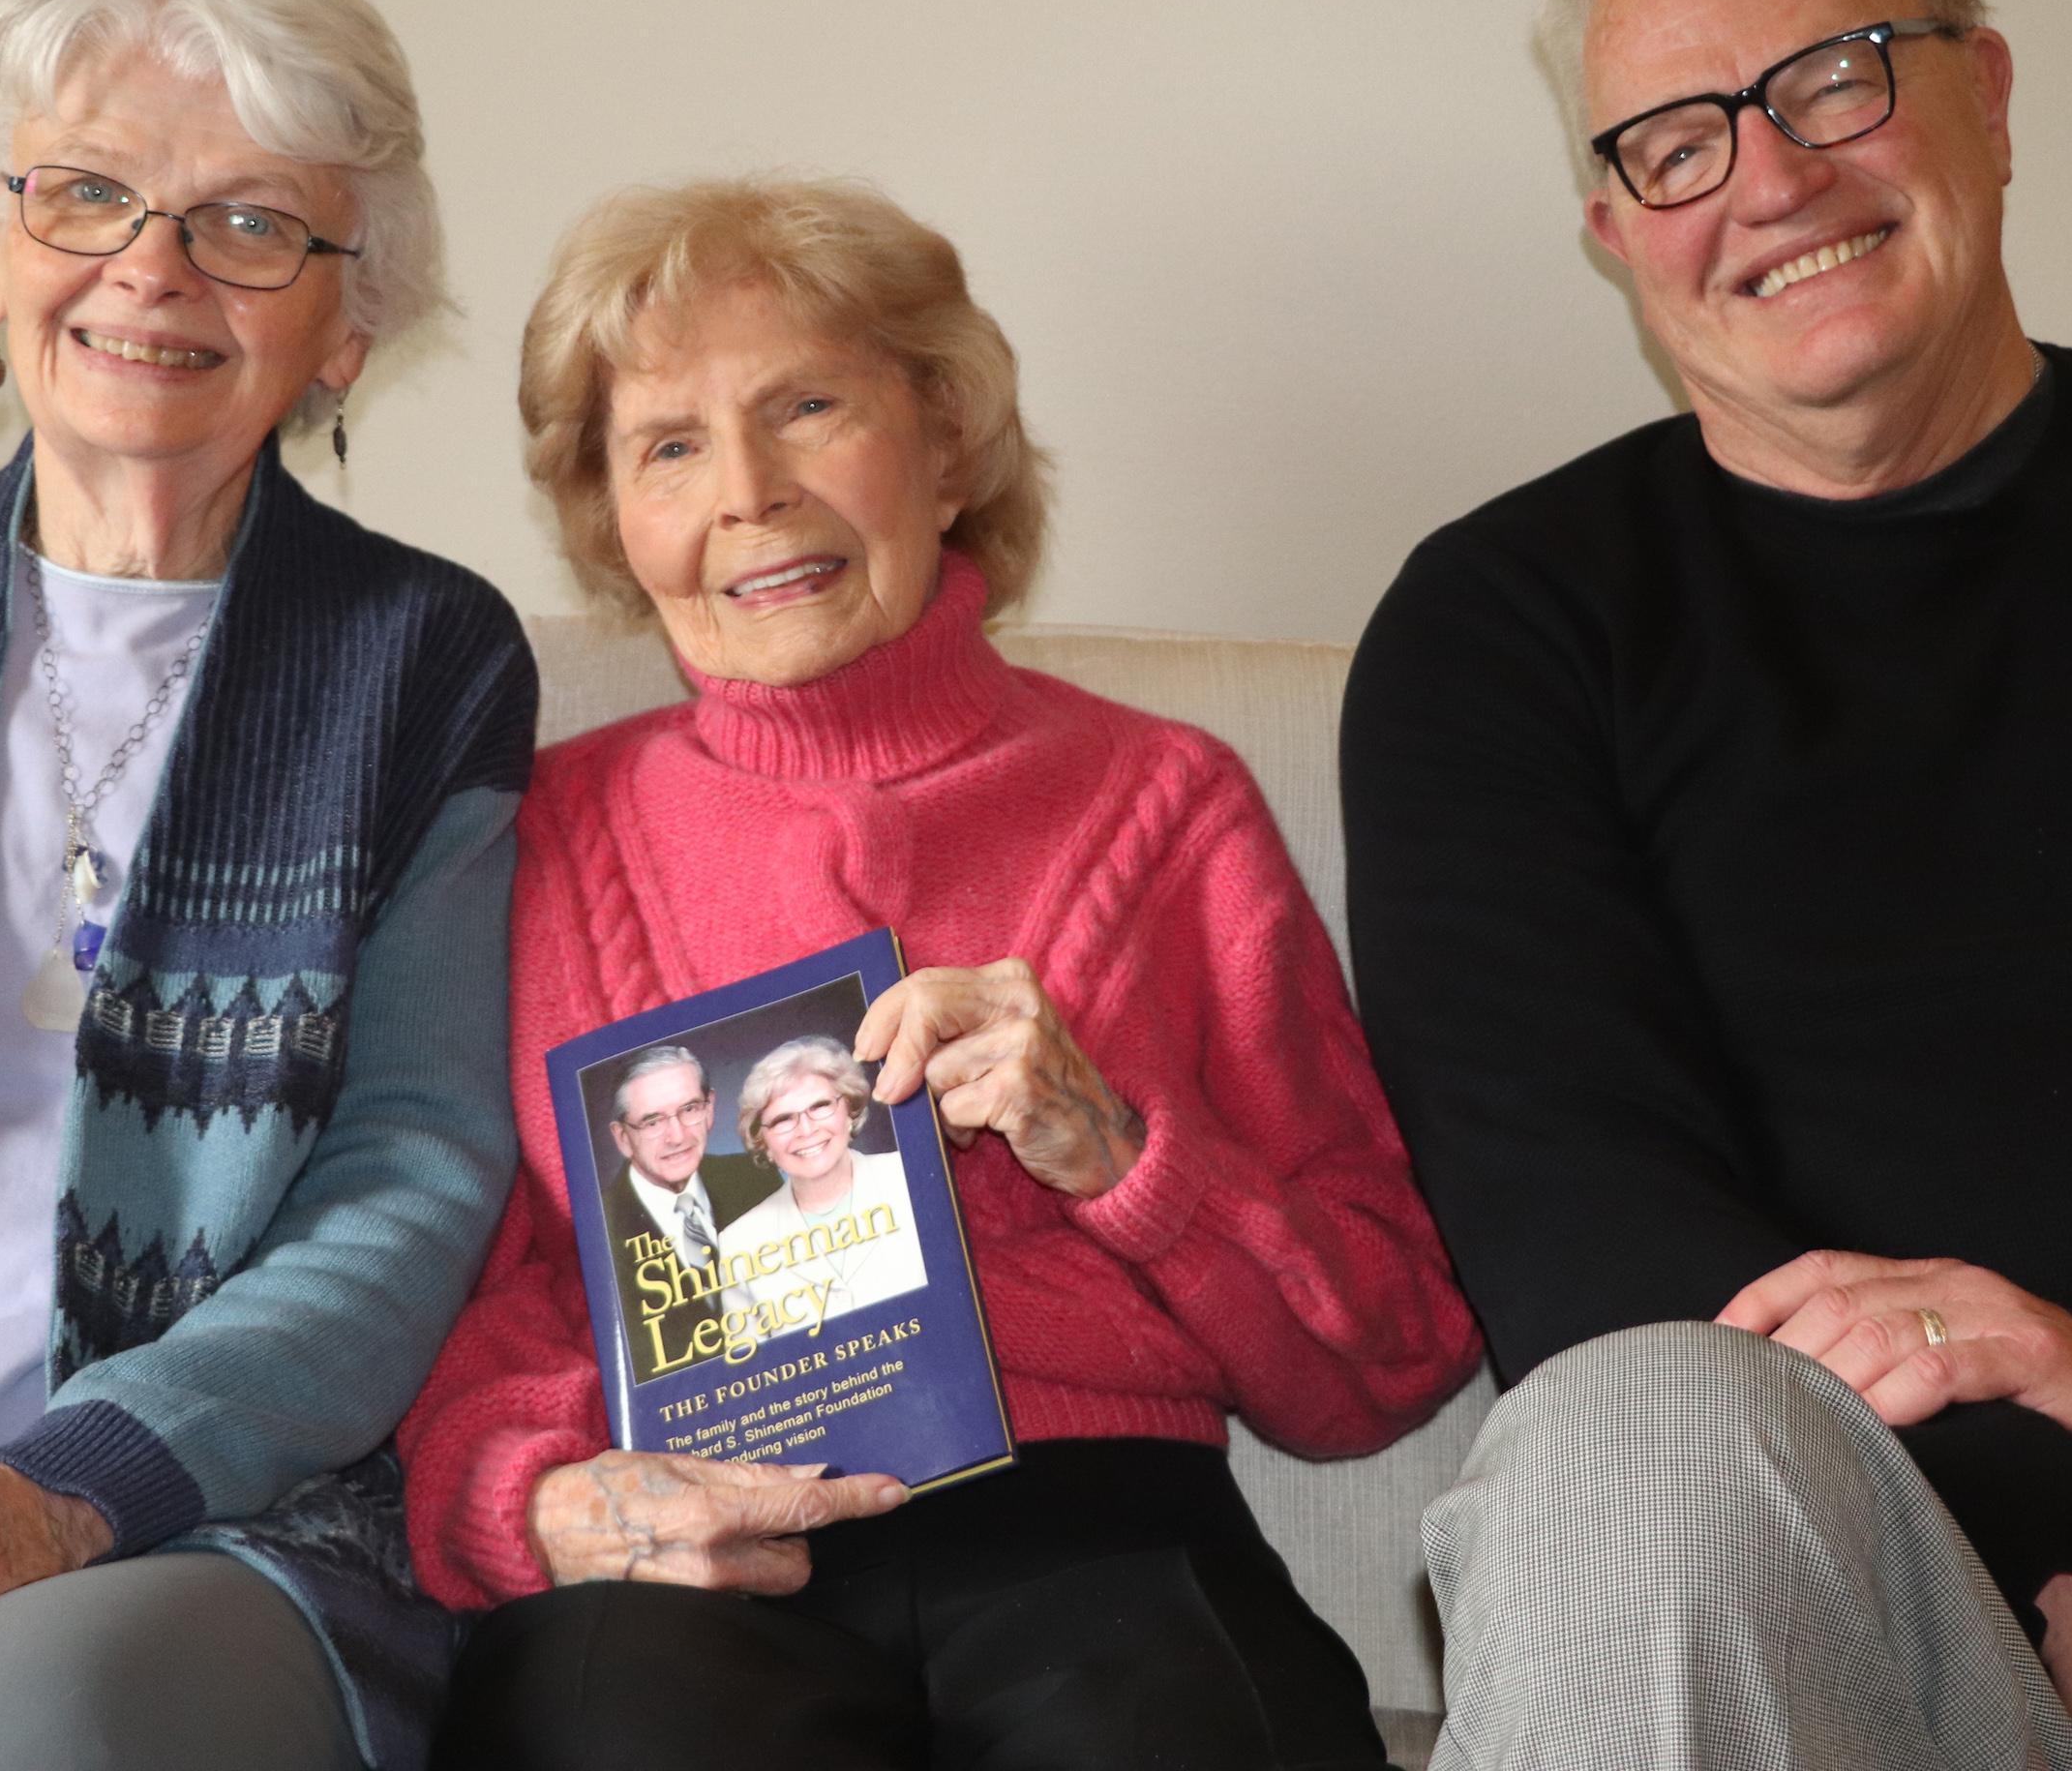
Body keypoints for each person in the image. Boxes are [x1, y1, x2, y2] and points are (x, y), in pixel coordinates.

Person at [1339, 0, 2072, 1771]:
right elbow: (1577, 1238)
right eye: (1677, 145)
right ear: (1619, 235)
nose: (1771, 180)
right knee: (1631, 1432)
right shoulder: (1508, 627)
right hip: (1876, 1572)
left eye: (1835, 75)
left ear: (1993, 92)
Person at [400, 176, 1477, 1771]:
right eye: (670, 446)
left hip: (1098, 1534)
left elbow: (1378, 1357)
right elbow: (449, 1326)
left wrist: (1119, 1149)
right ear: (610, 518)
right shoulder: (528, 839)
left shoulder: (1160, 804)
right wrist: (540, 1499)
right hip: (698, 1556)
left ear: (947, 438)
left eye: (806, 405)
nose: (748, 494)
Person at [0, 0, 535, 1770]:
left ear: (347, 322)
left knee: (42, 1731)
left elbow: (410, 1175)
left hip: (212, 1513)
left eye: (249, 223)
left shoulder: (421, 660)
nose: (150, 270)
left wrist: (64, 1487)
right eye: (88, 194)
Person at [715, 1037, 928, 1326]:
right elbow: (753, 1361)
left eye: (819, 1106)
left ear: (849, 1113)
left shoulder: (911, 1175)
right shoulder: (737, 1244)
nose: (806, 1129)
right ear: (762, 1141)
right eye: (783, 1120)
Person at [598, 1045, 778, 1380]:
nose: (677, 1136)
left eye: (690, 1109)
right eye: (652, 1121)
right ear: (623, 1138)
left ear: (709, 1109)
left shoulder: (753, 1176)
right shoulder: (601, 1230)